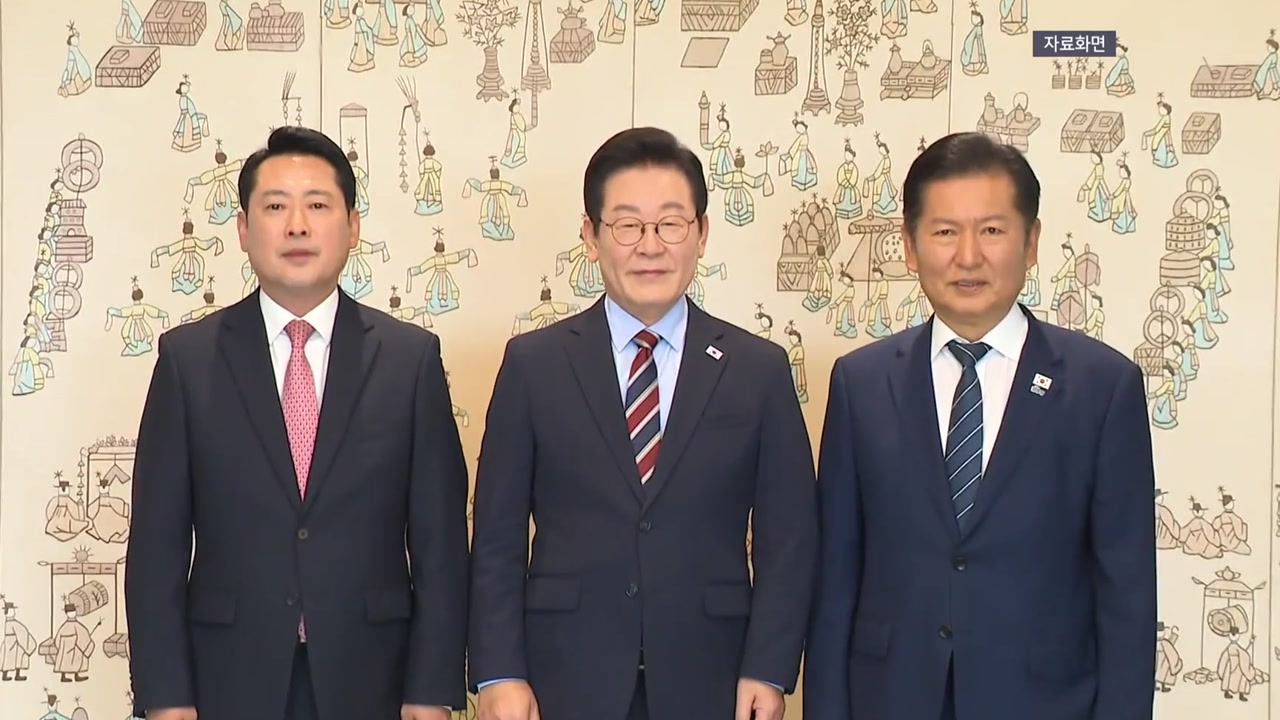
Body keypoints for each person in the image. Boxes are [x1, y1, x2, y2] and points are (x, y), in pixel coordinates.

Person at [467, 127, 818, 720]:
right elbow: (497, 535)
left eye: (671, 224)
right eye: (627, 225)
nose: (650, 246)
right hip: (562, 675)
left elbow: (790, 538)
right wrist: (500, 671)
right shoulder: (534, 364)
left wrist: (769, 668)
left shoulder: (757, 369)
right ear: (591, 236)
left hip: (714, 676)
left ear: (701, 233)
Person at [804, 132, 1156, 720]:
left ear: (1031, 242)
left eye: (992, 230)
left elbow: (1127, 593)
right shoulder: (860, 383)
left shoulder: (1102, 386)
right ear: (910, 246)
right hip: (890, 698)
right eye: (945, 232)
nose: (968, 256)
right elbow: (835, 581)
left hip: (1045, 703)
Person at [124, 126, 470, 720]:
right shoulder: (188, 360)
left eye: (318, 205)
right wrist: (166, 699)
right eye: (275, 207)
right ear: (243, 229)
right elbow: (156, 549)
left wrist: (432, 690)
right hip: (228, 679)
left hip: (374, 679)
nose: (297, 226)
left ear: (352, 226)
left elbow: (440, 543)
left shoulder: (409, 359)